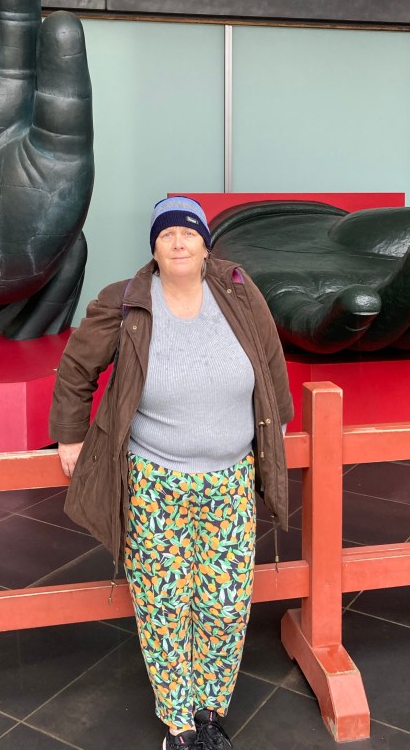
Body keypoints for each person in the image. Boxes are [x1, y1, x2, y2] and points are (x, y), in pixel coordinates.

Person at [49, 196, 293, 750]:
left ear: (206, 244)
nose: (178, 242)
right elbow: (78, 366)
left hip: (230, 478)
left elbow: (269, 358)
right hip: (154, 480)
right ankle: (179, 724)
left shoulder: (238, 290)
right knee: (164, 604)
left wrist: (275, 425)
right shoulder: (127, 300)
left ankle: (210, 711)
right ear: (154, 249)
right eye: (166, 234)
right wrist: (70, 435)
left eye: (188, 232)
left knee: (224, 603)